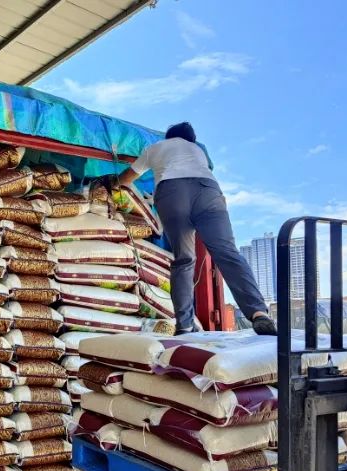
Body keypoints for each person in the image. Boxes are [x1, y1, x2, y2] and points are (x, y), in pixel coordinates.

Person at [112, 121, 277, 336]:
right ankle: (258, 313)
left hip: (172, 193)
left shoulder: (156, 148)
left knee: (184, 260)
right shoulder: (198, 150)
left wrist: (112, 184)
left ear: (169, 136)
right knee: (227, 253)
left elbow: (128, 177)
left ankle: (185, 325)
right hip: (209, 192)